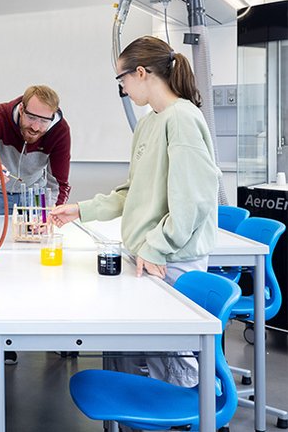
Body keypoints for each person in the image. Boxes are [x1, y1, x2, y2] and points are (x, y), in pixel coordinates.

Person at [50, 36, 220, 411]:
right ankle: (131, 418)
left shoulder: (183, 119)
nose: (123, 88)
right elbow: (132, 192)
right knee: (131, 350)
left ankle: (181, 419)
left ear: (141, 73)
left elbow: (192, 202)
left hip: (171, 259)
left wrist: (156, 247)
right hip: (145, 255)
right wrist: (81, 210)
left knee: (171, 363)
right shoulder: (149, 124)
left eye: (122, 79)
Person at [0, 85, 71, 215]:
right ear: (21, 109)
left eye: (44, 121)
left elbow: (59, 183)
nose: (35, 127)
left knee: (37, 234)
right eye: (31, 117)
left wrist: (53, 212)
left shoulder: (60, 131)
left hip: (34, 194)